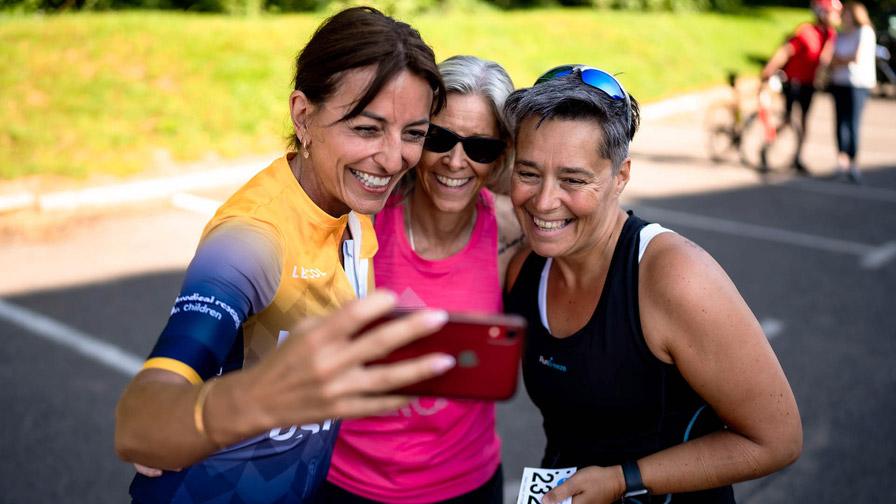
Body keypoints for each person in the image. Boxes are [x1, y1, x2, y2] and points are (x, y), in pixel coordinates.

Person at [114, 7, 459, 503]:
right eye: (366, 128)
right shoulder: (253, 238)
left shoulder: (350, 200)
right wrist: (231, 402)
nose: (392, 158)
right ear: (303, 115)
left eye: (413, 133)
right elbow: (142, 419)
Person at [502, 65, 802, 503]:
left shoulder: (673, 276)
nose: (544, 201)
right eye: (528, 173)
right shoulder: (525, 267)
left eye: (573, 180)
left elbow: (777, 440)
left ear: (621, 176)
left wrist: (624, 479)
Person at [322, 55, 523, 503]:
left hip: (467, 486)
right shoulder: (364, 220)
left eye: (480, 147)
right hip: (346, 484)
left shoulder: (512, 233)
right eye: (440, 138)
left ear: (501, 155)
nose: (456, 162)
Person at [762, 0, 842, 174]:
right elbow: (785, 51)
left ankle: (798, 156)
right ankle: (767, 146)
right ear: (821, 13)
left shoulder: (831, 35)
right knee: (788, 119)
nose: (836, 17)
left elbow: (826, 60)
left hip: (809, 83)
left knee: (804, 121)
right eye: (832, 13)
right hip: (794, 81)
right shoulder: (806, 32)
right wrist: (768, 71)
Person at [830, 1, 877, 183]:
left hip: (858, 83)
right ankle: (842, 159)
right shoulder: (840, 35)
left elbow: (856, 57)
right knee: (840, 121)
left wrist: (840, 60)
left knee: (853, 122)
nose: (845, 17)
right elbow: (832, 59)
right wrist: (842, 60)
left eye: (848, 14)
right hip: (839, 82)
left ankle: (853, 160)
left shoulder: (864, 32)